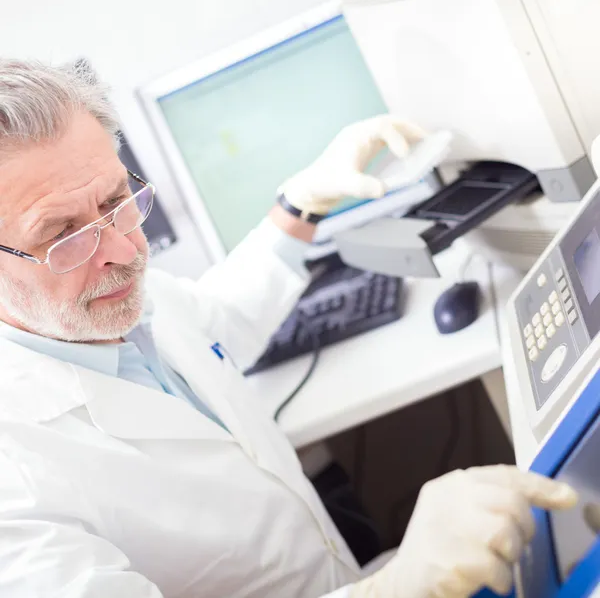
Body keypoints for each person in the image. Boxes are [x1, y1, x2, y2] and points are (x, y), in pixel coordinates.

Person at [0, 58, 577, 598]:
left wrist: (301, 206)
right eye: (62, 235)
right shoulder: (14, 485)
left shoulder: (120, 299)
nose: (124, 248)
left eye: (116, 199)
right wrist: (395, 585)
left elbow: (222, 321)